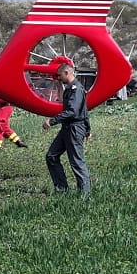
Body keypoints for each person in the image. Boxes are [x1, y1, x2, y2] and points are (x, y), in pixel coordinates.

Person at [42, 63, 91, 194]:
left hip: (74, 129)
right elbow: (84, 110)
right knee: (51, 156)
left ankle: (85, 194)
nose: (58, 78)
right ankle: (61, 189)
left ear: (67, 73)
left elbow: (72, 111)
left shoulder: (76, 89)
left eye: (59, 75)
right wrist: (88, 129)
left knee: (77, 162)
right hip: (67, 128)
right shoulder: (71, 88)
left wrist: (52, 121)